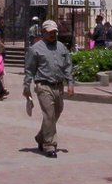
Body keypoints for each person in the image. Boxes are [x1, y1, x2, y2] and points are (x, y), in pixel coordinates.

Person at [23, 19, 75, 158]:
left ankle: (41, 137)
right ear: (44, 32)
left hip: (58, 86)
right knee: (49, 114)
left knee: (56, 113)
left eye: (55, 32)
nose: (53, 34)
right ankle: (49, 145)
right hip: (43, 85)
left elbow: (68, 65)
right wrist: (26, 86)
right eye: (51, 32)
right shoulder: (35, 49)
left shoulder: (61, 47)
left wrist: (70, 83)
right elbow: (29, 69)